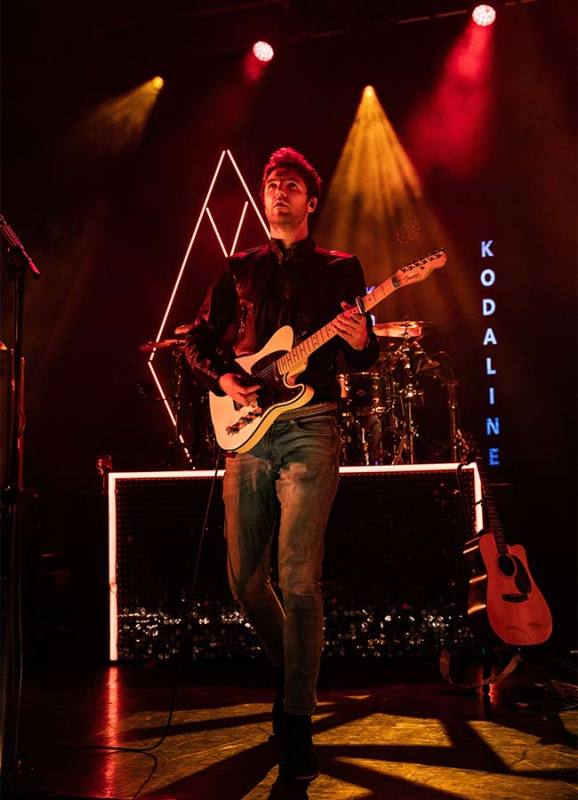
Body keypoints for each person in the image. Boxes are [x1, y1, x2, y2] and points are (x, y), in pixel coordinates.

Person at [185, 147, 378, 781]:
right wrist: (225, 379)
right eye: (270, 184)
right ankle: (292, 667)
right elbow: (197, 340)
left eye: (290, 185)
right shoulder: (239, 268)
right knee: (245, 582)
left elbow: (361, 359)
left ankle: (296, 719)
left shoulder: (341, 268)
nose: (277, 192)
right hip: (246, 433)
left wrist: (360, 340)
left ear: (310, 201)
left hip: (311, 426)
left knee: (298, 581)